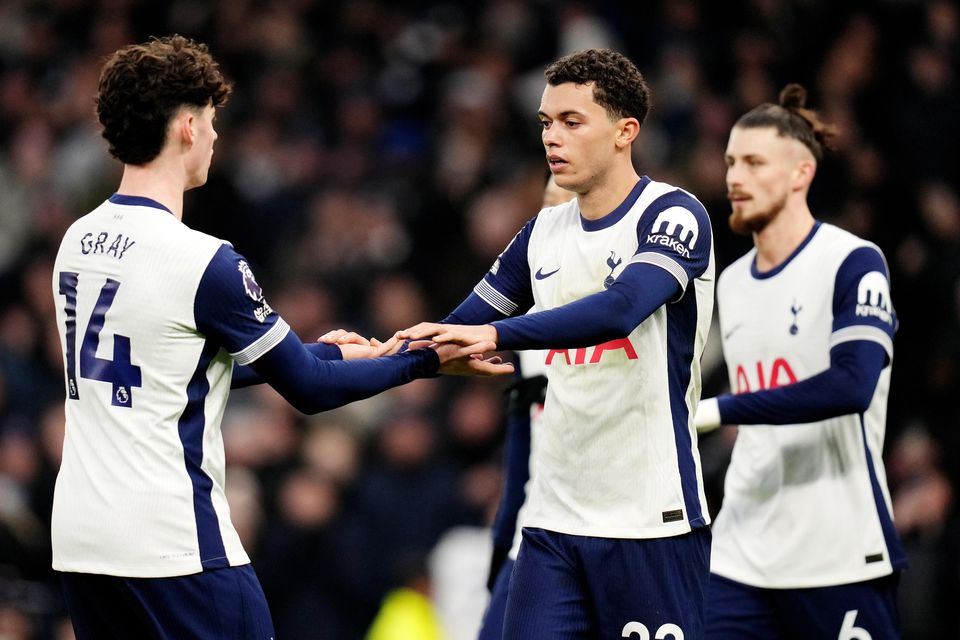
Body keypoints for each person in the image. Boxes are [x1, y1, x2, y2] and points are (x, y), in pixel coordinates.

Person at [50, 35, 511, 640]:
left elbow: (168, 367)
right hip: (171, 544)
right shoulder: (203, 261)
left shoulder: (76, 241)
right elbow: (310, 391)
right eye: (213, 121)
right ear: (187, 126)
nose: (217, 136)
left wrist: (321, 351)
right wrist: (421, 360)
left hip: (82, 541)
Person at [399, 48, 716, 638]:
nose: (552, 137)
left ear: (626, 132)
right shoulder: (541, 233)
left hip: (650, 519)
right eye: (546, 122)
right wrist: (358, 353)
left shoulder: (673, 214)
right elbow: (451, 335)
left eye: (572, 122)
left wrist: (494, 333)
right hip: (552, 524)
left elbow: (622, 310)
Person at [694, 84, 906, 638]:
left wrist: (721, 409)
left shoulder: (854, 262)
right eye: (730, 162)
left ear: (800, 173)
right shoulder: (732, 282)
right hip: (742, 551)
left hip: (837, 549)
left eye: (754, 162)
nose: (735, 177)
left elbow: (851, 386)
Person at [476, 176, 572, 640]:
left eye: (565, 206)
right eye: (545, 206)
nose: (550, 220)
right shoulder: (531, 321)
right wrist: (502, 541)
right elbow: (523, 446)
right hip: (538, 531)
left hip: (619, 534)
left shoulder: (638, 309)